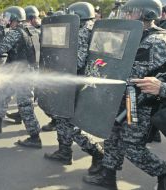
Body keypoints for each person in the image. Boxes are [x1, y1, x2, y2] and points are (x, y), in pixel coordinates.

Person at [83, 0, 166, 189]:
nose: (127, 16)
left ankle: (164, 173)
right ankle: (107, 176)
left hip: (138, 103)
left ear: (146, 14)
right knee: (112, 137)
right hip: (121, 98)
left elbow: (132, 73)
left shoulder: (157, 41)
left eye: (132, 12)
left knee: (131, 147)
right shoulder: (134, 35)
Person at [44, 2, 104, 173]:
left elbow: (76, 62)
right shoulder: (92, 28)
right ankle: (64, 152)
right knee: (62, 118)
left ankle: (98, 154)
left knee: (71, 123)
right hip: (80, 83)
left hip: (76, 84)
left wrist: (56, 60)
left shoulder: (83, 32)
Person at [0, 6, 42, 149]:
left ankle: (35, 137)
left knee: (25, 105)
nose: (7, 21)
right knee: (2, 94)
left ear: (15, 18)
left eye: (9, 18)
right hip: (22, 72)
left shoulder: (16, 32)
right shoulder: (31, 29)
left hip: (23, 75)